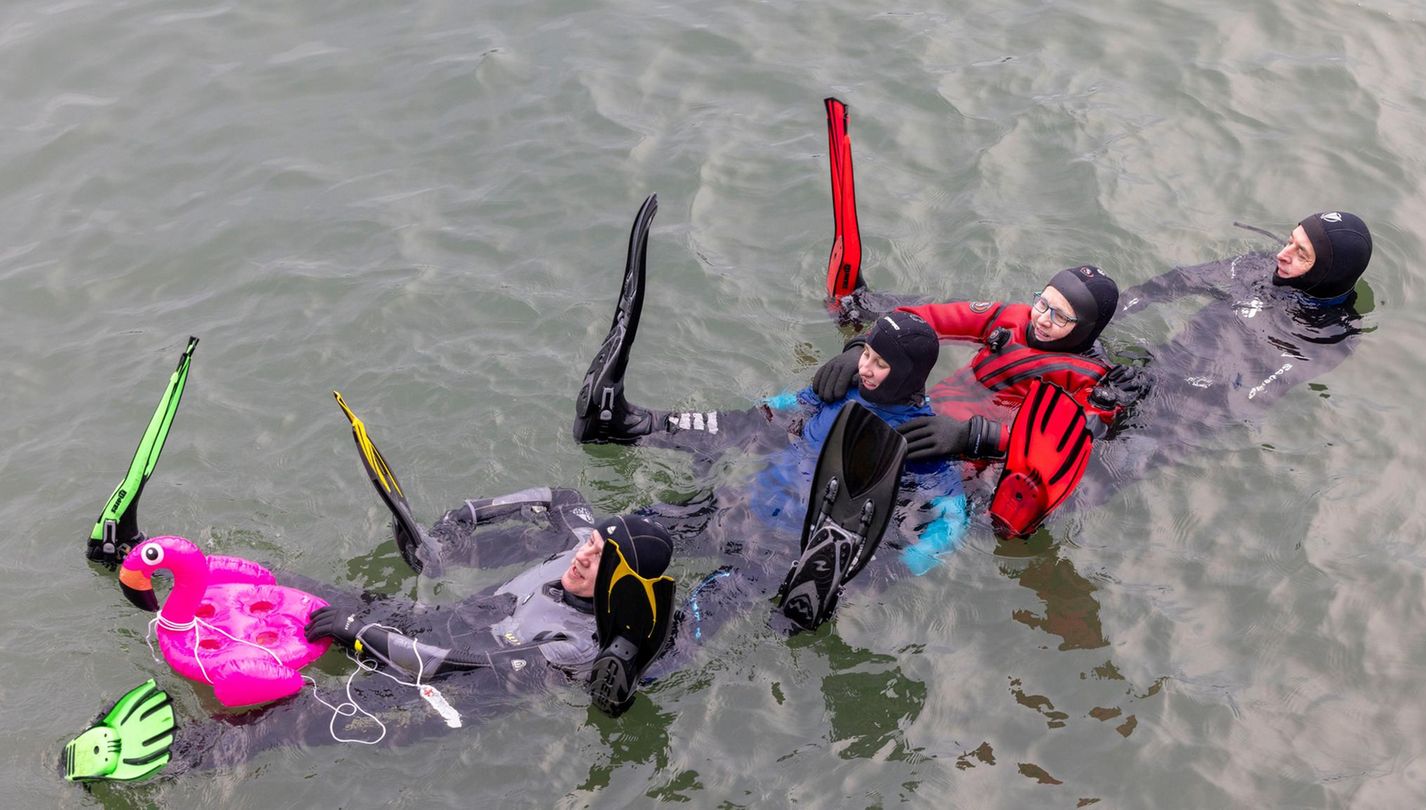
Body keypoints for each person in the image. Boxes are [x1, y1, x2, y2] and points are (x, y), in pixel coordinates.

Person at [67, 395, 678, 782]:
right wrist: (458, 524)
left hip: (444, 692)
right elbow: (561, 500)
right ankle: (136, 556)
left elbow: (458, 670)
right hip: (433, 622)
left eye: (601, 558)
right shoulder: (582, 537)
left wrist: (361, 638)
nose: (583, 554)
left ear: (623, 586)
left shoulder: (576, 645)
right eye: (591, 542)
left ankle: (170, 761)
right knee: (299, 594)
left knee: (294, 717)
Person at [572, 195, 969, 628]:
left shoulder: (922, 436)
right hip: (736, 508)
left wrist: (884, 572)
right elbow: (770, 416)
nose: (866, 368)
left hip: (784, 553)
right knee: (620, 536)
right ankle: (628, 426)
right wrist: (778, 404)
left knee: (705, 613)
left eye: (879, 363)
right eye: (866, 354)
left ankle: (640, 665)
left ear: (909, 375)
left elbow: (950, 519)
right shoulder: (842, 386)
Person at [813, 99, 1148, 537]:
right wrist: (862, 345)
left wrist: (975, 438)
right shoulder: (1007, 320)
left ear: (1085, 330)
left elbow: (1068, 450)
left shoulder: (1088, 380)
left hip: (972, 462)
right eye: (1042, 303)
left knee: (902, 520)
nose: (1042, 319)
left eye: (1060, 317)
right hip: (915, 422)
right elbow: (921, 317)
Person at [1068, 210, 1373, 511]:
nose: (1282, 254)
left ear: (1329, 272)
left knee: (1085, 483)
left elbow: (1253, 394)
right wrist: (1097, 320)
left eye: (1301, 253)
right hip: (1151, 369)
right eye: (1290, 240)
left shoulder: (1332, 335)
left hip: (1183, 419)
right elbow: (1178, 281)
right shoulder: (1260, 266)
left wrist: (1156, 391)